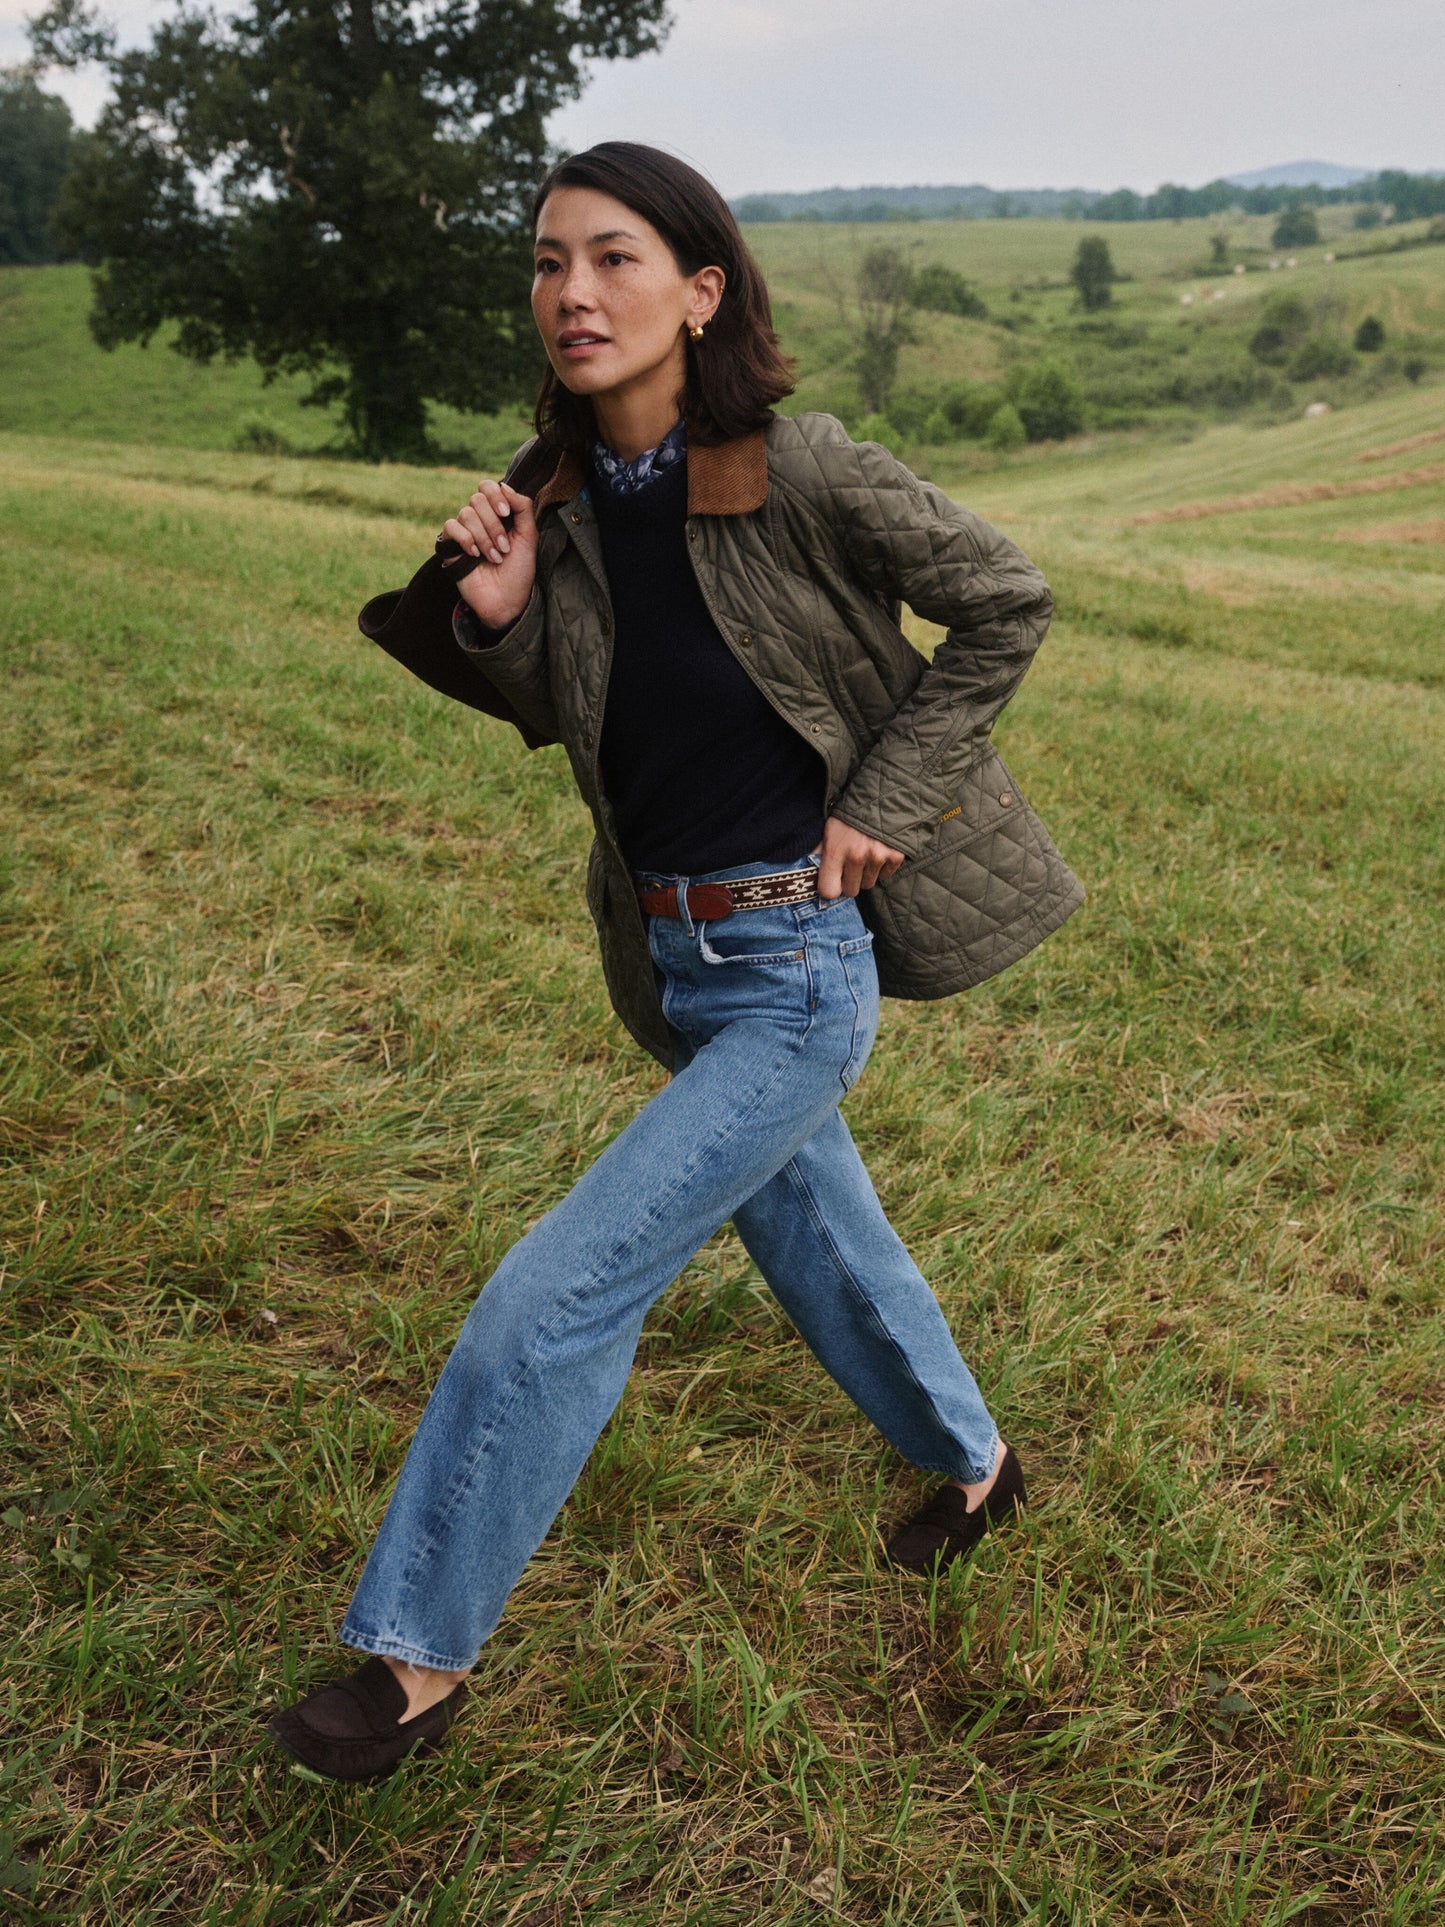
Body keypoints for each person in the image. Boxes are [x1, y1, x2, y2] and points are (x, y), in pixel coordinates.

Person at [266, 141, 1083, 1783]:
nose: (573, 293)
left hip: (793, 968)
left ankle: (413, 1662)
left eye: (617, 257)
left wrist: (886, 803)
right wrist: (496, 615)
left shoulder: (803, 471)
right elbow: (597, 721)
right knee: (827, 1246)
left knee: (551, 1300)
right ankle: (982, 1467)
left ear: (700, 291)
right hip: (676, 966)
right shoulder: (558, 502)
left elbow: (1005, 597)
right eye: (550, 261)